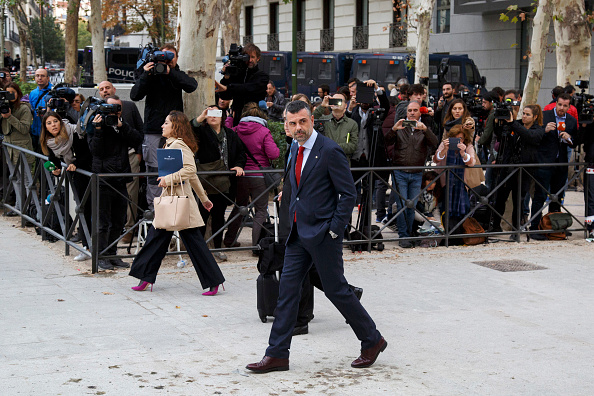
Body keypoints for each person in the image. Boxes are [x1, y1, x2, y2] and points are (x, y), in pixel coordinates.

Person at [246, 100, 386, 374]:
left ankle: (372, 340)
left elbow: (348, 195)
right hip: (298, 234)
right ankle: (277, 355)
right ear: (286, 125)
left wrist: (334, 229)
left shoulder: (329, 150)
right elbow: (299, 185)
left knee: (337, 291)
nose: (298, 127)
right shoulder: (294, 148)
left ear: (312, 120)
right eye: (293, 123)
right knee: (287, 293)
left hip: (323, 235)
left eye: (303, 122)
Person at [129, 111, 226, 294]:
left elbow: (191, 170)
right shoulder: (171, 145)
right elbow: (193, 175)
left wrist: (169, 179)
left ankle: (214, 281)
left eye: (166, 123)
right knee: (156, 238)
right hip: (172, 200)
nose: (162, 126)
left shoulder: (179, 145)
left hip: (179, 201)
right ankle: (145, 278)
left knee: (192, 242)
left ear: (176, 126)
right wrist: (204, 199)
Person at [130, 43, 198, 210]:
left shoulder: (176, 74)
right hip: (154, 131)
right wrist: (146, 74)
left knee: (176, 172)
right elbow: (135, 95)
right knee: (154, 172)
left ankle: (176, 209)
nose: (166, 59)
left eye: (170, 56)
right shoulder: (149, 75)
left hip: (176, 133)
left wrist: (170, 72)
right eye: (163, 55)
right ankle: (155, 211)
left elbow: (192, 85)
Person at [88, 96, 143, 270]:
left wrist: (122, 126)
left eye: (118, 108)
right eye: (110, 108)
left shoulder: (122, 125)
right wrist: (98, 129)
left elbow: (137, 139)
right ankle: (101, 256)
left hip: (121, 177)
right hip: (103, 179)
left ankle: (112, 254)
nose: (115, 112)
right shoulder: (94, 124)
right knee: (103, 222)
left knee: (118, 220)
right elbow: (95, 151)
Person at [190, 105, 246, 258]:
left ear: (222, 116)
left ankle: (217, 247)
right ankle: (198, 250)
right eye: (210, 113)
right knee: (201, 216)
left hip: (223, 181)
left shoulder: (230, 134)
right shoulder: (201, 132)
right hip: (205, 181)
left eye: (216, 113)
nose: (213, 116)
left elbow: (241, 152)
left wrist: (239, 165)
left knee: (219, 216)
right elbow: (189, 129)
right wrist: (201, 117)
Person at [223, 103, 279, 251]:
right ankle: (257, 246)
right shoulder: (264, 131)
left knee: (240, 207)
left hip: (240, 175)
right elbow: (274, 154)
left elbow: (226, 133)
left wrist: (229, 118)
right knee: (260, 210)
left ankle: (229, 239)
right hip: (259, 176)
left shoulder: (235, 130)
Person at [39, 111, 93, 257]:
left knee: (90, 208)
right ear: (45, 127)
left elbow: (87, 153)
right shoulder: (50, 141)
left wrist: (77, 164)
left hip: (89, 171)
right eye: (49, 123)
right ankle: (87, 247)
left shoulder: (73, 132)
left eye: (55, 121)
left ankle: (92, 246)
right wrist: (55, 170)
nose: (53, 125)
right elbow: (54, 159)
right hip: (75, 175)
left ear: (60, 122)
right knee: (82, 208)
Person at [385, 101, 438, 248]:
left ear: (420, 113)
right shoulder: (400, 126)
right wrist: (394, 129)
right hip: (400, 172)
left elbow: (434, 143)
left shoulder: (423, 128)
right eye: (410, 110)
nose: (412, 113)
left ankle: (408, 234)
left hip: (416, 173)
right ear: (406, 112)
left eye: (415, 110)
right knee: (402, 205)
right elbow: (385, 142)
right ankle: (404, 236)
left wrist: (426, 130)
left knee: (411, 205)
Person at [99, 82, 145, 244]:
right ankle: (111, 232)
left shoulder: (130, 107)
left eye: (108, 88)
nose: (105, 91)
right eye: (102, 89)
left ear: (114, 90)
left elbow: (140, 131)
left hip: (130, 155)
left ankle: (129, 228)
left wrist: (138, 153)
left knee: (130, 194)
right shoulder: (98, 112)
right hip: (107, 160)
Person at [490, 105, 544, 237]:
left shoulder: (538, 129)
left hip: (523, 170)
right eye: (523, 113)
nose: (524, 116)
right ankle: (495, 226)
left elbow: (529, 136)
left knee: (518, 200)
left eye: (527, 114)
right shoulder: (516, 124)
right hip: (508, 167)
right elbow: (500, 134)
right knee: (500, 197)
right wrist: (497, 121)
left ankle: (515, 230)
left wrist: (513, 123)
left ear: (535, 117)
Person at [530, 93, 578, 239]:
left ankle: (555, 226)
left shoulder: (571, 120)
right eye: (560, 104)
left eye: (565, 105)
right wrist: (544, 131)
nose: (562, 108)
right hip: (544, 162)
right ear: (555, 103)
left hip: (561, 164)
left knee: (557, 197)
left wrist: (569, 138)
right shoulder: (544, 116)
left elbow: (575, 141)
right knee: (540, 196)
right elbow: (533, 135)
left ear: (569, 107)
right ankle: (534, 228)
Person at [433, 124, 476, 238]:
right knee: (445, 208)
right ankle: (447, 234)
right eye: (455, 138)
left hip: (461, 184)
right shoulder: (444, 144)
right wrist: (444, 150)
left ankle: (461, 234)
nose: (458, 141)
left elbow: (472, 162)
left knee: (464, 207)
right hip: (446, 183)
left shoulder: (468, 146)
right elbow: (436, 159)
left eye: (460, 138)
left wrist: (463, 153)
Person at [216, 43, 269, 127]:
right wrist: (226, 77)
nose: (250, 60)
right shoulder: (238, 74)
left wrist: (228, 88)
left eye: (252, 57)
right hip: (237, 118)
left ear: (258, 58)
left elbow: (248, 88)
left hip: (254, 118)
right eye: (247, 57)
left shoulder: (262, 76)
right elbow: (225, 96)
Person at [1, 82, 34, 216]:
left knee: (27, 181)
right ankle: (20, 209)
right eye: (7, 93)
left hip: (22, 149)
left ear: (18, 93)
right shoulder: (4, 107)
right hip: (9, 149)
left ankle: (32, 211)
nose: (10, 96)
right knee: (15, 179)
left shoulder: (24, 108)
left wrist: (9, 117)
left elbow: (25, 129)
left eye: (12, 93)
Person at [312, 87, 359, 163]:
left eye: (339, 101)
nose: (337, 103)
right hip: (324, 161)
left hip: (343, 162)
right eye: (334, 101)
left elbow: (353, 146)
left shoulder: (352, 124)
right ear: (331, 104)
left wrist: (334, 146)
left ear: (345, 105)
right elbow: (311, 119)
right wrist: (322, 106)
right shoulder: (324, 120)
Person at [29, 68, 53, 152]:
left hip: (48, 133)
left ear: (48, 78)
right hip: (35, 132)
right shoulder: (32, 93)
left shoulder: (53, 92)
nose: (40, 78)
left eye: (42, 76)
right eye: (37, 76)